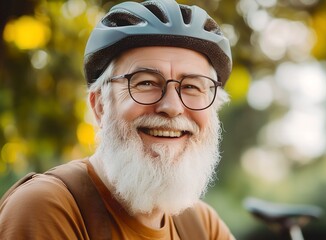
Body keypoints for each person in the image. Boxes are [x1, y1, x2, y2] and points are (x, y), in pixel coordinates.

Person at [0, 0, 235, 239]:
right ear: (100, 105)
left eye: (192, 86)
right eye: (146, 83)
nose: (172, 107)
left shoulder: (203, 226)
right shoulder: (48, 208)